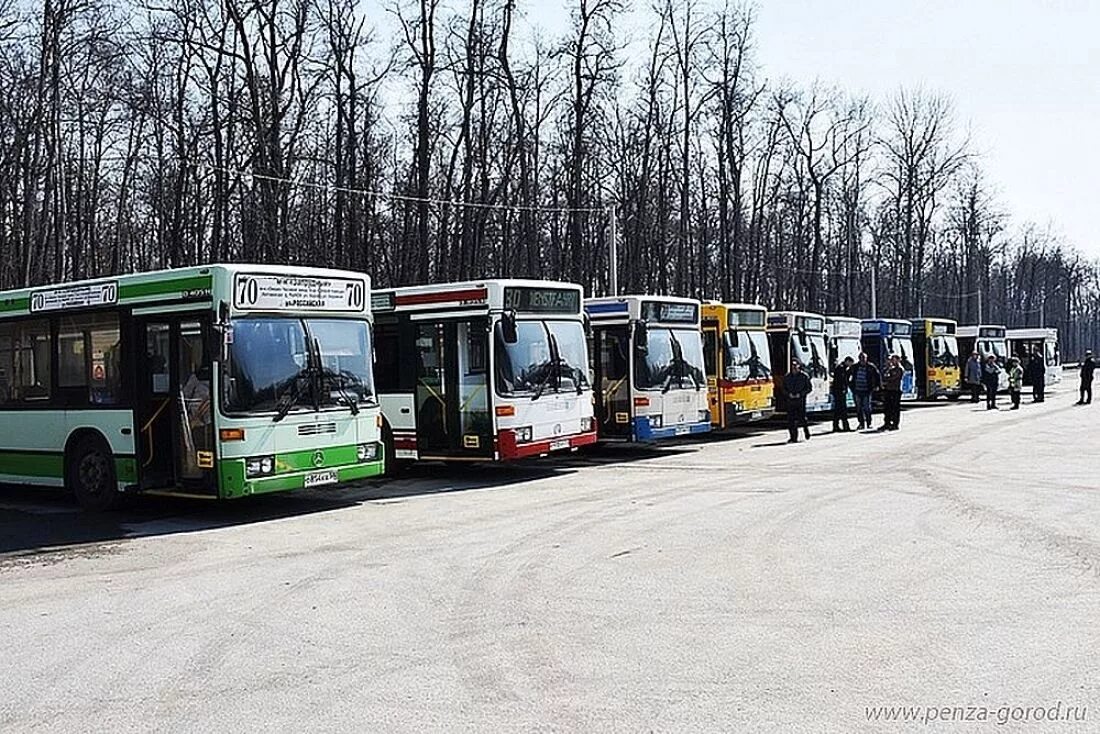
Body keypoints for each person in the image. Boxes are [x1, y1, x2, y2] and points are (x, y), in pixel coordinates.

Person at [848, 352, 880, 430]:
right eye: (861, 358)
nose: (862, 359)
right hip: (857, 390)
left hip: (867, 390)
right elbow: (848, 375)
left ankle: (869, 423)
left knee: (867, 407)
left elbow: (877, 376)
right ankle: (861, 423)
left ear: (866, 358)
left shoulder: (871, 367)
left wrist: (877, 385)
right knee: (858, 408)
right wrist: (850, 386)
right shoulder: (854, 367)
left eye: (864, 358)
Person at [784, 359, 813, 444]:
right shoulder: (787, 377)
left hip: (800, 401)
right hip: (790, 401)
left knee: (802, 419)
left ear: (799, 366)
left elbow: (809, 388)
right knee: (791, 420)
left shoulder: (804, 376)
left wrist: (800, 394)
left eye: (795, 365)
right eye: (792, 366)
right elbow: (784, 388)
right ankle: (793, 437)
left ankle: (806, 431)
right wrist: (788, 394)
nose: (794, 367)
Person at [880, 354, 904, 431]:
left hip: (895, 390)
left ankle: (895, 423)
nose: (892, 361)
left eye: (893, 359)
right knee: (887, 407)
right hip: (888, 390)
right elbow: (884, 376)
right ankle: (887, 423)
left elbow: (893, 378)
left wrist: (887, 379)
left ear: (898, 360)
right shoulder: (891, 369)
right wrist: (888, 369)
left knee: (895, 408)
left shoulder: (899, 369)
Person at [830, 355, 854, 432]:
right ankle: (844, 426)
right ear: (847, 361)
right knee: (842, 410)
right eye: (850, 363)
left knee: (839, 410)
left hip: (839, 391)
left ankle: (837, 426)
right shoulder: (841, 368)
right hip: (839, 391)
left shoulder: (842, 368)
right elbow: (842, 380)